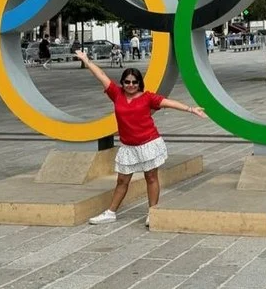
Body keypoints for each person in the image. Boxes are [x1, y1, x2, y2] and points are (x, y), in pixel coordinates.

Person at [77, 50, 207, 227]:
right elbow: (101, 75)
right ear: (122, 83)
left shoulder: (148, 98)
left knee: (151, 177)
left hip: (148, 143)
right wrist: (87, 61)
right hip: (128, 146)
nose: (131, 85)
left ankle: (152, 212)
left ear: (139, 83)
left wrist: (191, 109)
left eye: (134, 82)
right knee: (122, 180)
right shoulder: (116, 94)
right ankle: (111, 212)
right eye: (127, 82)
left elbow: (169, 103)